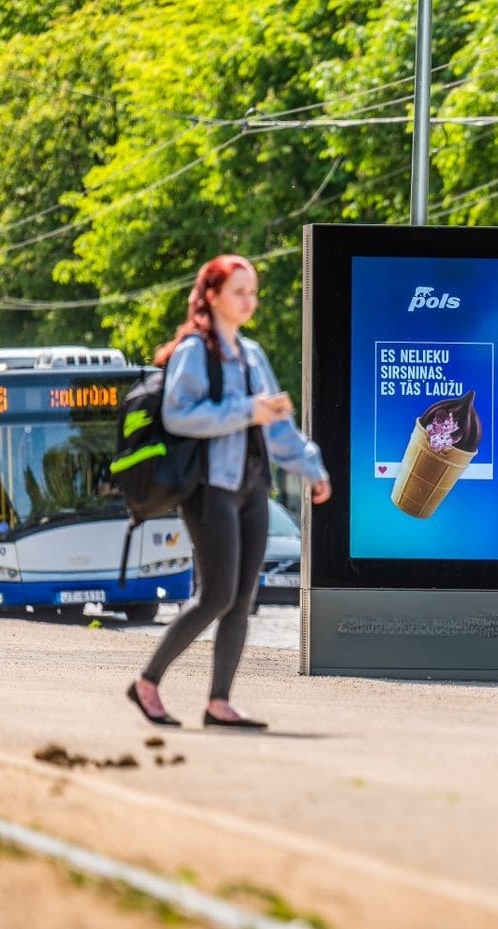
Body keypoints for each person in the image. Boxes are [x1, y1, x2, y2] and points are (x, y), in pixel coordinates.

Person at [126, 255, 331, 730]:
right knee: (216, 596)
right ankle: (148, 682)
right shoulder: (195, 351)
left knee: (243, 600)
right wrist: (246, 411)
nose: (248, 300)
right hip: (210, 489)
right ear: (212, 295)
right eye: (239, 291)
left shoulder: (253, 354)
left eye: (252, 291)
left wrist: (311, 468)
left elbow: (277, 425)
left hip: (252, 488)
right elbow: (180, 415)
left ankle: (220, 702)